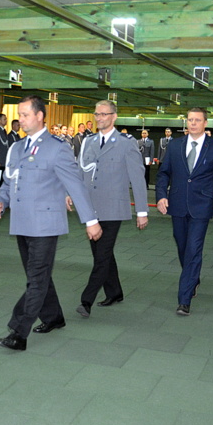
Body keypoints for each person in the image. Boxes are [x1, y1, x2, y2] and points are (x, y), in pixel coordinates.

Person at [0, 95, 101, 351]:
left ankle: (19, 331)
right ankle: (53, 317)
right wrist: (1, 200)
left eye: (25, 115)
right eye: (19, 115)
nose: (20, 119)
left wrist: (91, 220)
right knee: (37, 275)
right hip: (21, 222)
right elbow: (10, 179)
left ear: (40, 116)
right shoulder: (16, 147)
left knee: (37, 279)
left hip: (45, 223)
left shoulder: (57, 147)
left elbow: (75, 184)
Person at [156, 108, 213, 316]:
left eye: (197, 120)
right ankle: (193, 278)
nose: (193, 123)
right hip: (177, 205)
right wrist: (161, 195)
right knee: (182, 246)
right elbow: (163, 173)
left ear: (205, 123)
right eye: (190, 120)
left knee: (193, 249)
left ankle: (184, 300)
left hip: (201, 208)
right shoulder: (175, 145)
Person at [74, 100, 148, 318]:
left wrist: (142, 211)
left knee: (102, 255)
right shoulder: (88, 141)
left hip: (114, 208)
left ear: (114, 117)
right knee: (102, 253)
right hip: (91, 208)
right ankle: (114, 292)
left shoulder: (126, 143)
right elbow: (80, 171)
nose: (99, 118)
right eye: (97, 114)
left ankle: (86, 300)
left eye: (104, 114)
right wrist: (71, 194)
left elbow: (137, 177)